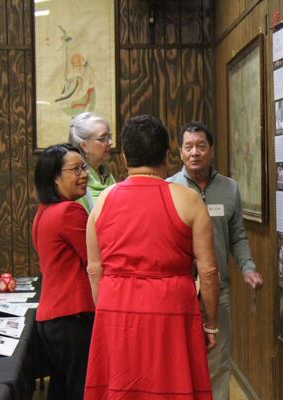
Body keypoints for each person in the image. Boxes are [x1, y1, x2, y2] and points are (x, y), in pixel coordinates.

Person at [84, 115, 220, 400]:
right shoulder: (189, 200)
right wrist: (210, 324)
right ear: (167, 157)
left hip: (116, 309)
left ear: (124, 157)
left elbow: (94, 269)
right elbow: (207, 271)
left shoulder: (103, 201)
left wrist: (107, 314)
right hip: (172, 309)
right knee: (174, 388)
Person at [168, 121, 264, 400]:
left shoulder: (229, 188)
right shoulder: (169, 188)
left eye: (201, 146)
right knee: (179, 362)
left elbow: (238, 236)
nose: (194, 153)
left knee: (218, 363)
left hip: (217, 291)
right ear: (180, 151)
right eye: (188, 147)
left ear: (212, 149)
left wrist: (248, 268)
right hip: (180, 290)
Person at [32, 144, 95, 400]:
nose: (83, 174)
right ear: (54, 177)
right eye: (75, 169)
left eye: (84, 167)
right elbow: (96, 259)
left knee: (61, 389)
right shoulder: (70, 211)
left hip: (51, 318)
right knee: (81, 390)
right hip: (72, 317)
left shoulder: (43, 212)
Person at [68, 112, 116, 212]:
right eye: (102, 139)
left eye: (109, 137)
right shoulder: (78, 180)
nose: (110, 143)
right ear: (84, 146)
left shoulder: (106, 173)